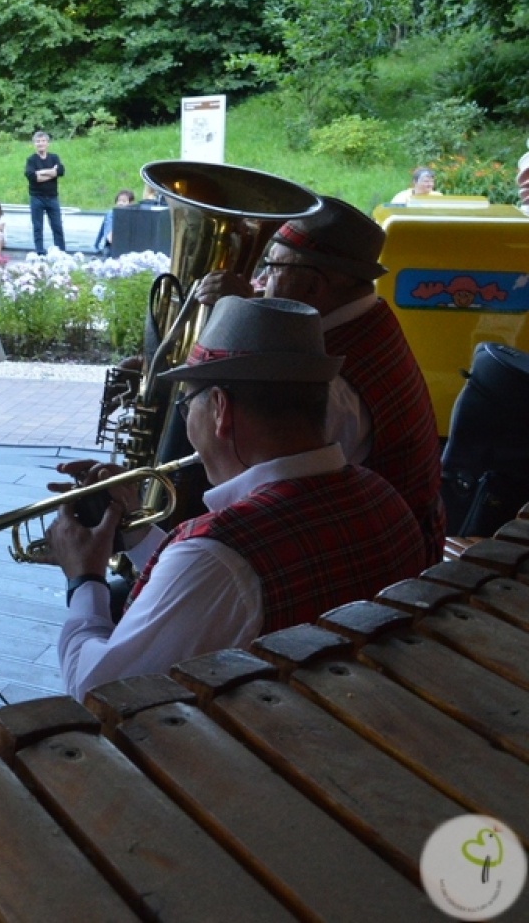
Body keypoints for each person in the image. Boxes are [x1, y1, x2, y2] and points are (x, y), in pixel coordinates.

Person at [46, 296, 425, 701]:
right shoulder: (384, 496)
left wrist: (84, 577)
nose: (186, 421)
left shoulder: (218, 555)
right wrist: (136, 530)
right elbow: (218, 588)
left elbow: (99, 691)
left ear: (220, 409)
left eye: (185, 405)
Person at [194, 197, 446, 563]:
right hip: (389, 535)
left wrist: (233, 325)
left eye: (272, 268)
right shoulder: (369, 317)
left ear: (313, 287)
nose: (259, 282)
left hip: (371, 562)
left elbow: (259, 480)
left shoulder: (333, 384)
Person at [25, 130, 66, 253]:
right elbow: (32, 177)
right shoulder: (31, 160)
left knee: (57, 226)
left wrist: (41, 172)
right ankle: (40, 252)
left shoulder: (54, 157)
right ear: (34, 144)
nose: (40, 143)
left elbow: (61, 171)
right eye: (38, 141)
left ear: (47, 143)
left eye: (43, 141)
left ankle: (61, 251)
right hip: (36, 198)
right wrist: (52, 173)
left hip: (52, 197)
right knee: (38, 227)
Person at [96, 188, 134, 255]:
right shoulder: (111, 214)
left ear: (130, 203)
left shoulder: (133, 215)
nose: (120, 203)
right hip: (111, 247)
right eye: (119, 201)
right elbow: (108, 235)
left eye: (124, 201)